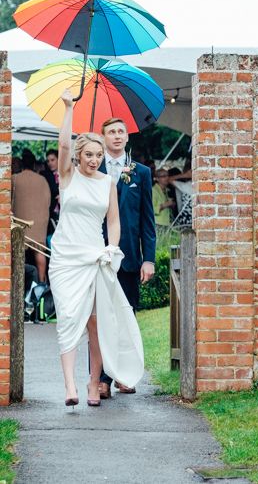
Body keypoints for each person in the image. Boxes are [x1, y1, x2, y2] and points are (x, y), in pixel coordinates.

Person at [49, 89, 143, 408]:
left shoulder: (107, 183)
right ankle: (69, 385)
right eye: (88, 155)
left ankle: (93, 383)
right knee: (67, 317)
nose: (94, 160)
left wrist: (111, 249)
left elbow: (113, 222)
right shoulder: (67, 176)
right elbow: (62, 144)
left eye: (98, 155)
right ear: (78, 156)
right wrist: (67, 109)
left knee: (95, 322)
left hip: (93, 257)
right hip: (64, 257)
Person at [98, 117, 156, 398]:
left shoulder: (141, 172)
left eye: (121, 132)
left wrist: (150, 259)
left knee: (126, 316)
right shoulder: (92, 169)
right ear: (103, 136)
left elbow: (148, 219)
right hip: (98, 255)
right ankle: (101, 379)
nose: (117, 136)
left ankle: (125, 375)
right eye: (112, 132)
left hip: (131, 256)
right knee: (100, 317)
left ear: (127, 137)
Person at [11, 149, 51, 282]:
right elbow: (48, 200)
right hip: (39, 221)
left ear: (22, 164)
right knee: (39, 251)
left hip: (19, 220)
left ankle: (18, 282)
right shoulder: (42, 179)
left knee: (18, 252)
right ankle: (41, 282)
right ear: (34, 165)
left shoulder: (15, 179)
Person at [41, 148, 61, 236]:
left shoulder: (67, 174)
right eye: (48, 161)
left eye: (52, 160)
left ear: (59, 159)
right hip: (51, 212)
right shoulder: (45, 176)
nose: (50, 163)